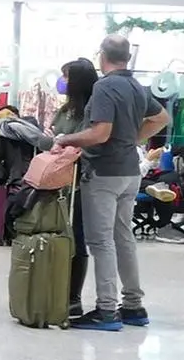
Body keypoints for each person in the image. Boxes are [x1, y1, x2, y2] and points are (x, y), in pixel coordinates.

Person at [56, 34, 169, 331]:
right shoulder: (134, 85)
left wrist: (65, 139)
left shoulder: (104, 86)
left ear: (101, 55)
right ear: (127, 57)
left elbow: (100, 133)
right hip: (130, 173)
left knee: (101, 242)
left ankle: (106, 310)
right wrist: (131, 138)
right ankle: (133, 305)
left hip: (104, 173)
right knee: (123, 239)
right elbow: (161, 118)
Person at [53, 59, 98, 318]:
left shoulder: (91, 110)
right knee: (57, 232)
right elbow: (54, 132)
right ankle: (55, 287)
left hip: (79, 181)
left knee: (77, 235)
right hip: (56, 179)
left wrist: (63, 143)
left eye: (67, 77)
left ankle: (73, 297)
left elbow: (82, 143)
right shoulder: (66, 109)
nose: (64, 82)